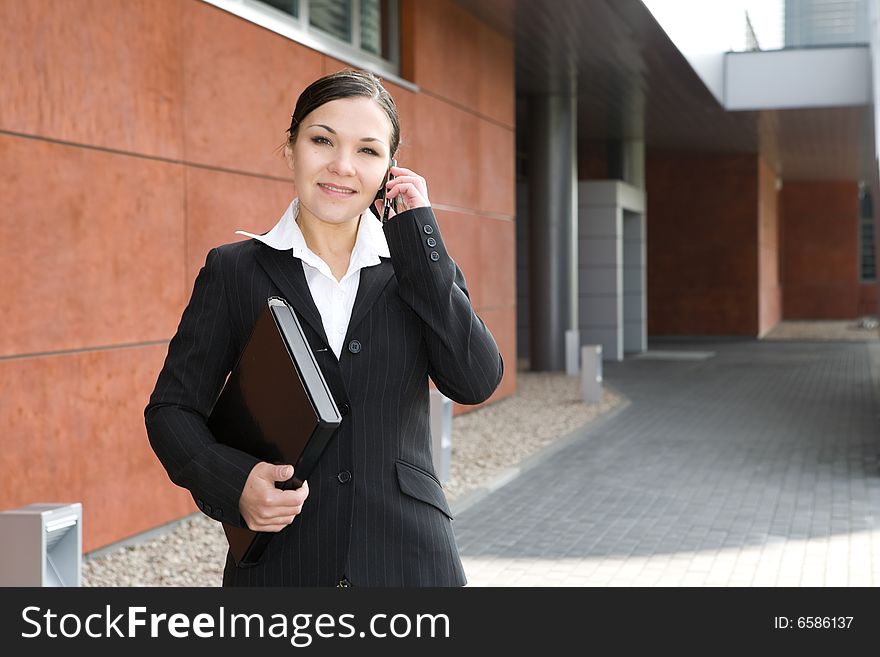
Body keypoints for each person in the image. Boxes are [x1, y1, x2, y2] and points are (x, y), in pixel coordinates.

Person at [144, 69, 504, 587]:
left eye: (367, 151)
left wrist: (420, 234)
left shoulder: (420, 269)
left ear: (389, 170)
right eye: (322, 140)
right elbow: (171, 410)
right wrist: (235, 483)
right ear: (290, 149)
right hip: (283, 564)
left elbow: (474, 381)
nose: (342, 166)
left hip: (410, 562)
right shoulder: (234, 271)